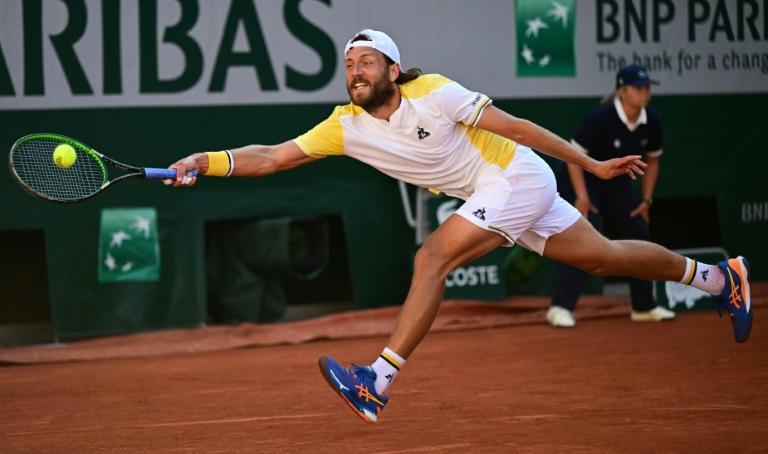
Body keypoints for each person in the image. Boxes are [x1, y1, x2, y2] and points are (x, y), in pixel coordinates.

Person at [166, 29, 753, 424]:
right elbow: (271, 156)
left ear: (394, 68)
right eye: (349, 65)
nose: (356, 71)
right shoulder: (344, 125)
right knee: (602, 258)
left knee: (431, 259)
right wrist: (205, 161)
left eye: (366, 61)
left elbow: (517, 127)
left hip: (515, 177)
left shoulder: (434, 92)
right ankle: (718, 279)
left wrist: (591, 164)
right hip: (494, 191)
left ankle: (376, 380)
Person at [546, 65, 675, 328]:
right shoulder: (599, 118)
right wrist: (581, 197)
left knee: (639, 232)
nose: (645, 93)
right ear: (623, 91)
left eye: (648, 88)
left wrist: (646, 200)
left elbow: (653, 160)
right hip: (582, 180)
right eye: (639, 88)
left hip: (616, 185)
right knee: (584, 238)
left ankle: (643, 306)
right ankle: (560, 307)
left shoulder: (652, 120)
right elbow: (573, 158)